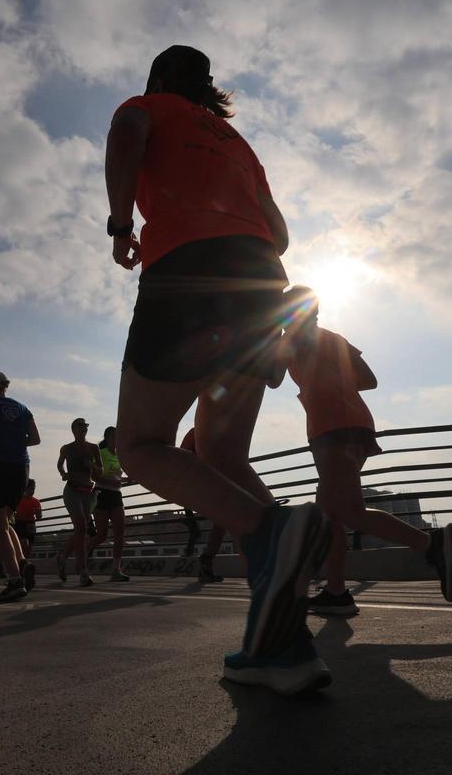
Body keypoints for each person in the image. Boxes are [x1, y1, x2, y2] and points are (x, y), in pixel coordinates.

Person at [105, 45, 331, 696]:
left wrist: (123, 223)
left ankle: (270, 533)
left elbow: (127, 135)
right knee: (224, 453)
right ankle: (284, 647)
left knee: (142, 445)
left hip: (189, 277)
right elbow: (281, 233)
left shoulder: (145, 107)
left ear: (157, 79)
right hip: (263, 283)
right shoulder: (237, 140)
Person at [275, 286, 452, 615]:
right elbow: (369, 380)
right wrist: (336, 381)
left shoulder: (292, 339)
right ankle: (336, 592)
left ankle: (431, 545)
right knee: (334, 514)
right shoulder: (334, 338)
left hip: (332, 427)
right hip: (352, 423)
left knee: (343, 513)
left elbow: (272, 378)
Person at [0, 371, 41, 601]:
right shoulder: (23, 408)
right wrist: (13, 441)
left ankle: (14, 580)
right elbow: (35, 438)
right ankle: (21, 562)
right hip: (20, 468)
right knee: (6, 521)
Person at [57, 418, 102, 586]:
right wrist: (63, 473)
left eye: (86, 426)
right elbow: (59, 465)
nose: (84, 428)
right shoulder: (67, 448)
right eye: (81, 426)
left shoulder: (93, 448)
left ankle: (62, 557)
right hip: (72, 491)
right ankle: (83, 572)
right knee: (82, 528)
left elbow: (100, 470)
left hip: (87, 493)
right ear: (73, 429)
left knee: (80, 530)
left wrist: (91, 465)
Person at [178, 428, 228, 583]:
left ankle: (206, 562)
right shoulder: (196, 432)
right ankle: (206, 561)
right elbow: (179, 460)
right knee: (226, 520)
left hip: (212, 482)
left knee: (223, 522)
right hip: (200, 483)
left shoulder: (221, 433)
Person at [89, 426, 130, 581]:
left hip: (116, 495)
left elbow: (117, 477)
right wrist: (112, 483)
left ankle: (116, 570)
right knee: (101, 535)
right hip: (101, 494)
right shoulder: (101, 454)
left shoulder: (120, 456)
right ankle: (80, 555)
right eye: (114, 437)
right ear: (107, 438)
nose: (117, 440)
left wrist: (126, 480)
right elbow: (94, 477)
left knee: (120, 533)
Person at [14, 479, 43, 559]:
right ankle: (20, 559)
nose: (32, 491)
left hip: (31, 523)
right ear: (25, 488)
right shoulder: (19, 500)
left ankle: (25, 562)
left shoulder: (36, 501)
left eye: (33, 489)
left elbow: (39, 517)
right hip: (20, 523)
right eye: (31, 489)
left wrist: (38, 513)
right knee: (23, 542)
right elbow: (17, 515)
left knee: (30, 545)